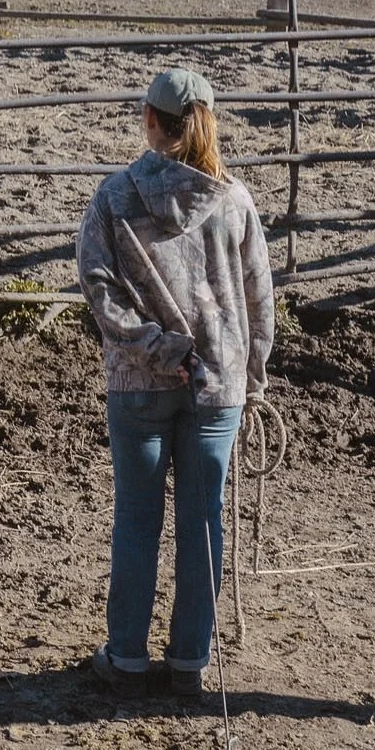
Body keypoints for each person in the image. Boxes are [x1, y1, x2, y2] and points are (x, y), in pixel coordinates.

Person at [76, 67, 274, 699]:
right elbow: (258, 300)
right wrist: (254, 375)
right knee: (204, 519)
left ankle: (126, 658)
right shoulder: (236, 202)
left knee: (137, 517)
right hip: (218, 387)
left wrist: (155, 348)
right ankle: (191, 660)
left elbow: (99, 291)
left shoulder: (116, 196)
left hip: (140, 382)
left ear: (152, 120)